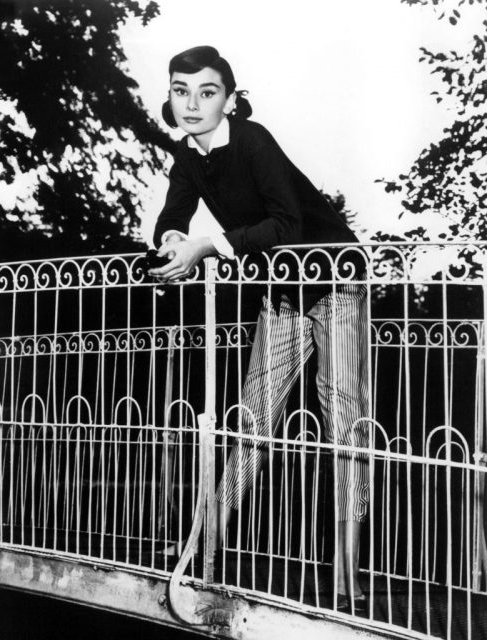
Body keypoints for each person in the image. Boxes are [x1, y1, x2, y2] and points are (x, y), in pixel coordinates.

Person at [149, 45, 369, 614]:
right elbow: (172, 218)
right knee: (254, 417)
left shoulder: (253, 139)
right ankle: (207, 544)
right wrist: (174, 240)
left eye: (207, 92)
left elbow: (287, 222)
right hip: (280, 294)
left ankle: (347, 568)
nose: (192, 103)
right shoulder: (188, 157)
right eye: (181, 91)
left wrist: (209, 245)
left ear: (229, 98)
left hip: (334, 279)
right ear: (170, 98)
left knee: (343, 415)